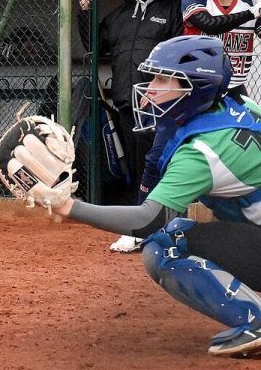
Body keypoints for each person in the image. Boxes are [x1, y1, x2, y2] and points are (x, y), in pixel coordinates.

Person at [44, 35, 261, 358]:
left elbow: (149, 220)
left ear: (196, 89)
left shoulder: (202, 152)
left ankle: (256, 322)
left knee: (165, 244)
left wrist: (69, 207)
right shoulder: (240, 107)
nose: (150, 89)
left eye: (163, 80)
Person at [77, 0, 183, 251]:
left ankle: (167, 226)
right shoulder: (121, 15)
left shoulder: (174, 8)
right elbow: (93, 43)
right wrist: (85, 9)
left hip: (161, 106)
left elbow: (181, 54)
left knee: (162, 165)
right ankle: (142, 226)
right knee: (137, 168)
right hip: (127, 103)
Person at [183, 0, 261, 97]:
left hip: (236, 89)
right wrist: (254, 12)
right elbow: (210, 25)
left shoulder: (250, 4)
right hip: (199, 88)